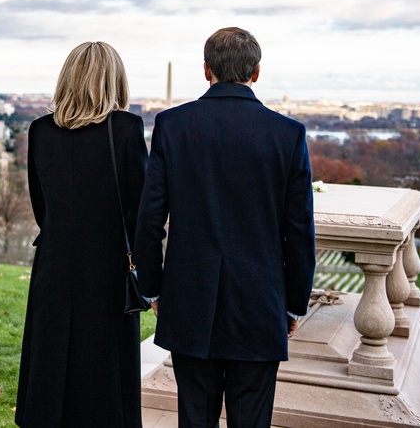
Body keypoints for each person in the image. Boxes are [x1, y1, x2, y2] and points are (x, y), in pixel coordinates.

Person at [134, 27, 316, 428]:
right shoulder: (288, 135)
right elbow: (300, 230)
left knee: (194, 418)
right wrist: (292, 304)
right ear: (256, 73)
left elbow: (149, 220)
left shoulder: (172, 126)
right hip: (259, 303)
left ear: (205, 70)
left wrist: (153, 288)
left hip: (188, 299)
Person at [15, 41, 148, 428]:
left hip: (54, 262)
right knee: (105, 375)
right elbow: (137, 207)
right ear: (114, 80)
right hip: (107, 266)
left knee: (51, 364)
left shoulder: (40, 130)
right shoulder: (126, 128)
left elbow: (41, 206)